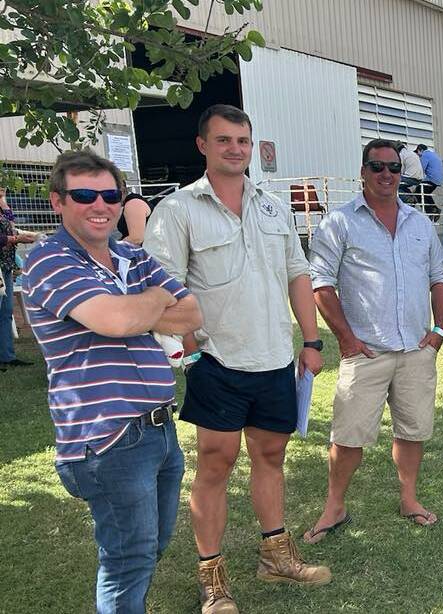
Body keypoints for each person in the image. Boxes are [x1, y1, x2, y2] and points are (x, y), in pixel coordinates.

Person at [144, 104, 331, 613]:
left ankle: (275, 555)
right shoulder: (178, 210)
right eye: (224, 140)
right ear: (202, 145)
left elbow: (298, 274)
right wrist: (185, 354)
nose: (236, 149)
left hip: (274, 359)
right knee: (216, 465)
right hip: (217, 363)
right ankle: (212, 578)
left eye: (243, 141)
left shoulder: (273, 208)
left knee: (271, 458)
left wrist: (310, 342)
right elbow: (163, 287)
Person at [23, 150, 203, 613]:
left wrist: (139, 308)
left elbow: (192, 315)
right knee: (129, 557)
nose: (99, 204)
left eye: (110, 194)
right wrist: (158, 297)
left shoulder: (129, 255)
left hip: (159, 430)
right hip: (107, 437)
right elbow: (115, 320)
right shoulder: (48, 258)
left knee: (150, 545)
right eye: (84, 194)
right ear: (58, 201)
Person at [304, 139, 443, 541]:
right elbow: (320, 283)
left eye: (393, 168)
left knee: (413, 429)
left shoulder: (419, 223)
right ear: (363, 172)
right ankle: (334, 506)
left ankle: (409, 498)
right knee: (348, 435)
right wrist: (346, 340)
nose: (386, 174)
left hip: (415, 351)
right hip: (365, 351)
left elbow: (440, 277)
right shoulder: (340, 222)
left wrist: (438, 332)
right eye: (377, 167)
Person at [1, 186, 38, 369]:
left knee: (6, 311)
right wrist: (15, 240)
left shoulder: (1, 210)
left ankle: (6, 355)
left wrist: (3, 201)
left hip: (5, 265)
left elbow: (11, 224)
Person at [415, 143, 443, 221]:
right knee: (426, 194)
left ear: (420, 150)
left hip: (431, 179)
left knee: (417, 193)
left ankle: (431, 211)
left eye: (417, 153)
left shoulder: (425, 155)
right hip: (438, 180)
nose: (418, 155)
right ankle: (434, 209)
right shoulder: (434, 154)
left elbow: (421, 169)